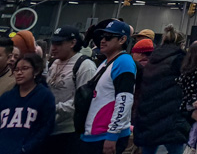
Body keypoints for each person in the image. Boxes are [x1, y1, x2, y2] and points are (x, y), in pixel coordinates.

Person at [131, 24, 189, 154]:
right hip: (171, 117)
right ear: (181, 43)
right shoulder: (180, 59)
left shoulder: (154, 58)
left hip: (148, 116)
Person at [81, 20, 138, 153]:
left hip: (105, 135)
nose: (102, 40)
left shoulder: (124, 62)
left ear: (122, 39)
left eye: (108, 37)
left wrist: (112, 135)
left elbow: (124, 100)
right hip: (93, 134)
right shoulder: (107, 62)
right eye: (101, 37)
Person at [43, 25, 96, 154]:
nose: (53, 47)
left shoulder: (85, 66)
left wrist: (53, 108)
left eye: (59, 43)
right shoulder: (53, 63)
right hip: (48, 128)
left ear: (73, 43)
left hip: (69, 131)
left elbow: (83, 102)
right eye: (53, 43)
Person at [0, 52, 54, 153]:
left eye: (24, 68)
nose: (19, 73)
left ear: (36, 71)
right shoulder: (6, 97)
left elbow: (46, 127)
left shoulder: (44, 96)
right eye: (16, 70)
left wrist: (26, 148)